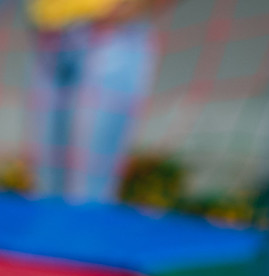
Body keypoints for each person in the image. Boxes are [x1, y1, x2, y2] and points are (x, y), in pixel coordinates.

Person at [27, 0, 175, 202]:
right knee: (47, 190)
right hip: (49, 33)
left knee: (88, 194)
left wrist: (129, 9)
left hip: (110, 33)